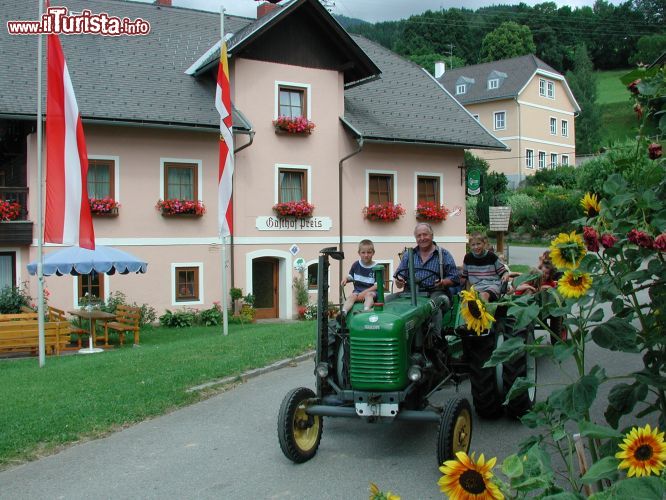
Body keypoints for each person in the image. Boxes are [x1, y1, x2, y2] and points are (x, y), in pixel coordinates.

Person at [460, 233, 510, 302]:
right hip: (476, 286)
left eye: (478, 244)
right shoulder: (468, 258)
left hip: (492, 285)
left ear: (484, 244)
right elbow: (465, 277)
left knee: (484, 295)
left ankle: (484, 311)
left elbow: (503, 272)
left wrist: (505, 275)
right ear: (469, 246)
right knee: (470, 299)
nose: (476, 247)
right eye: (473, 245)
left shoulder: (491, 256)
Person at [340, 239, 378, 321]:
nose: (366, 255)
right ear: (359, 253)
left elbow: (377, 285)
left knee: (369, 295)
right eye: (363, 253)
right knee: (352, 296)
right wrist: (346, 278)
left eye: (369, 252)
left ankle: (365, 310)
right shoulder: (356, 265)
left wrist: (364, 293)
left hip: (372, 293)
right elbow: (351, 277)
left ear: (373, 253)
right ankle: (343, 313)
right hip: (358, 292)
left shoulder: (377, 267)